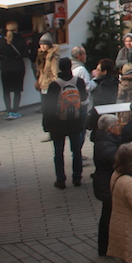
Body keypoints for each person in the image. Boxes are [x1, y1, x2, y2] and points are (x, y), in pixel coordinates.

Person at [43, 57, 88, 189]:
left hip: (58, 123)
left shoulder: (54, 85)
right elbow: (84, 99)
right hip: (75, 121)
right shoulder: (78, 82)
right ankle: (77, 177)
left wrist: (46, 125)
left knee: (58, 152)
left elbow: (49, 107)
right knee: (76, 150)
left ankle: (61, 179)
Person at [92, 113, 123, 256]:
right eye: (117, 125)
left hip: (107, 183)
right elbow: (115, 159)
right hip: (107, 185)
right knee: (108, 216)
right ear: (110, 129)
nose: (119, 127)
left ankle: (107, 247)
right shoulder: (105, 143)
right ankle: (105, 248)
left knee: (109, 215)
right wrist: (130, 148)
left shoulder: (106, 139)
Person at [0, 20, 28, 119]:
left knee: (6, 91)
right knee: (17, 90)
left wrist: (4, 58)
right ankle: (15, 111)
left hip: (6, 68)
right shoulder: (21, 39)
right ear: (16, 29)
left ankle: (8, 111)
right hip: (18, 67)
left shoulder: (1, 41)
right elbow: (26, 54)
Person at [33, 32, 60, 103]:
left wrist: (54, 85)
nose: (42, 46)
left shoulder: (53, 57)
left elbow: (55, 72)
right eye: (41, 44)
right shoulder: (41, 55)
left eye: (44, 44)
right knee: (45, 103)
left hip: (49, 84)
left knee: (49, 105)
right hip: (43, 83)